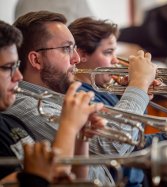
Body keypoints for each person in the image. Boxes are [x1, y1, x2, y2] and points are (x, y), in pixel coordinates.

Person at [5, 10, 157, 186]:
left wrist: (138, 92)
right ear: (36, 60)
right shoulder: (28, 106)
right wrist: (138, 85)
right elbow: (112, 147)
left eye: (74, 48)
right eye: (66, 48)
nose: (76, 58)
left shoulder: (56, 98)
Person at [68, 17, 167, 187]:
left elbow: (137, 135)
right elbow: (124, 144)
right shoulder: (82, 97)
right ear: (82, 54)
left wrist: (141, 95)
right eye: (108, 52)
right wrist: (138, 87)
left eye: (115, 52)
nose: (115, 60)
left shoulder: (105, 89)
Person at [0, 19, 105, 184]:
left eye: (17, 66)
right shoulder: (25, 108)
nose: (18, 76)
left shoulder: (9, 122)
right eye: (8, 67)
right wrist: (69, 126)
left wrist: (80, 138)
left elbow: (71, 182)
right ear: (36, 60)